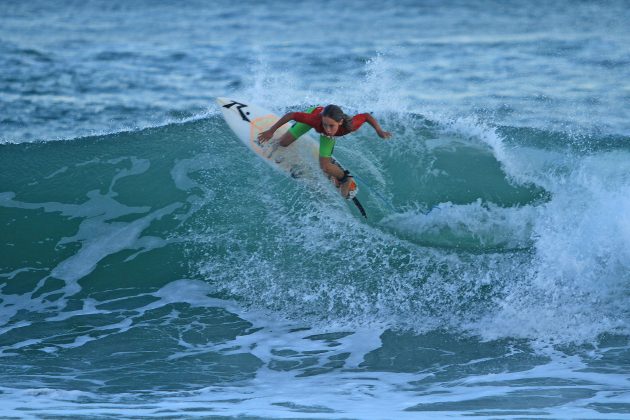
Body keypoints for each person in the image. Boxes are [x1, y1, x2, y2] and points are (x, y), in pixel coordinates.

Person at [257, 104, 391, 197]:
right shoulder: (315, 120)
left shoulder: (350, 125)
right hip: (313, 116)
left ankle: (344, 179)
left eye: (331, 126)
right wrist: (271, 130)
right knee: (283, 143)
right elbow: (291, 115)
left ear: (340, 122)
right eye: (325, 125)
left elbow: (366, 116)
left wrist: (379, 130)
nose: (327, 128)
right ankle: (280, 139)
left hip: (328, 135)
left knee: (325, 167)